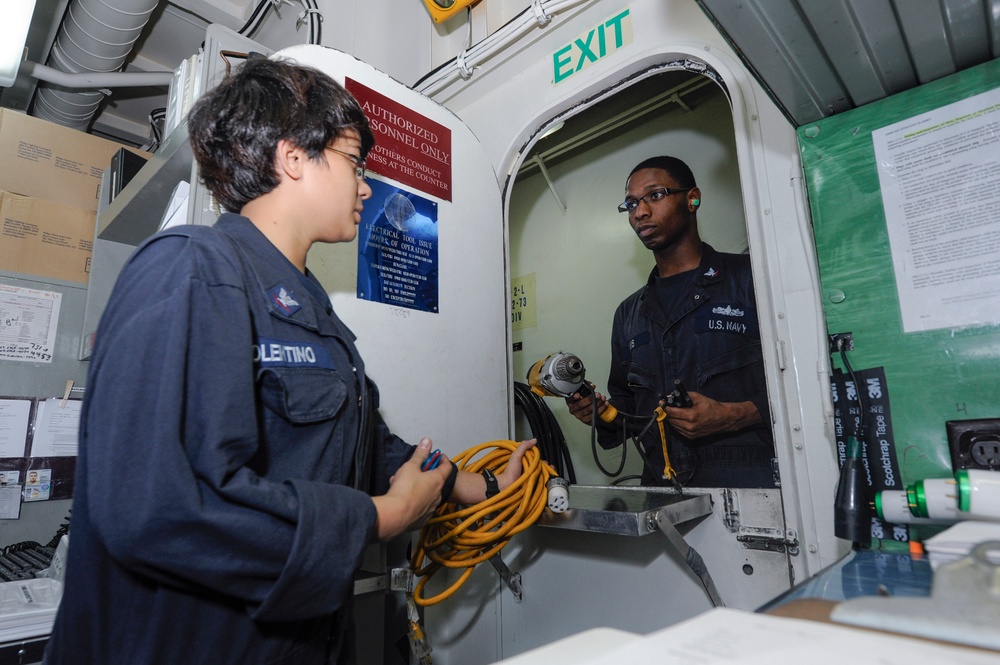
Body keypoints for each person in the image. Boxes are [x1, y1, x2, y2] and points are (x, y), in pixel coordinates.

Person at [45, 56, 533, 665]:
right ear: (293, 157)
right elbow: (157, 506)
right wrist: (381, 518)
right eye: (355, 163)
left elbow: (366, 442)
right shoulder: (190, 270)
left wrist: (477, 484)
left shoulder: (308, 305)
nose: (366, 185)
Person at [566, 156, 775, 488]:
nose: (640, 212)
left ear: (692, 199)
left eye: (655, 195)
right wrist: (598, 413)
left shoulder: (751, 280)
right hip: (662, 490)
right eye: (631, 203)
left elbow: (804, 382)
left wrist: (734, 415)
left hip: (751, 486)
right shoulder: (629, 313)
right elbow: (632, 410)